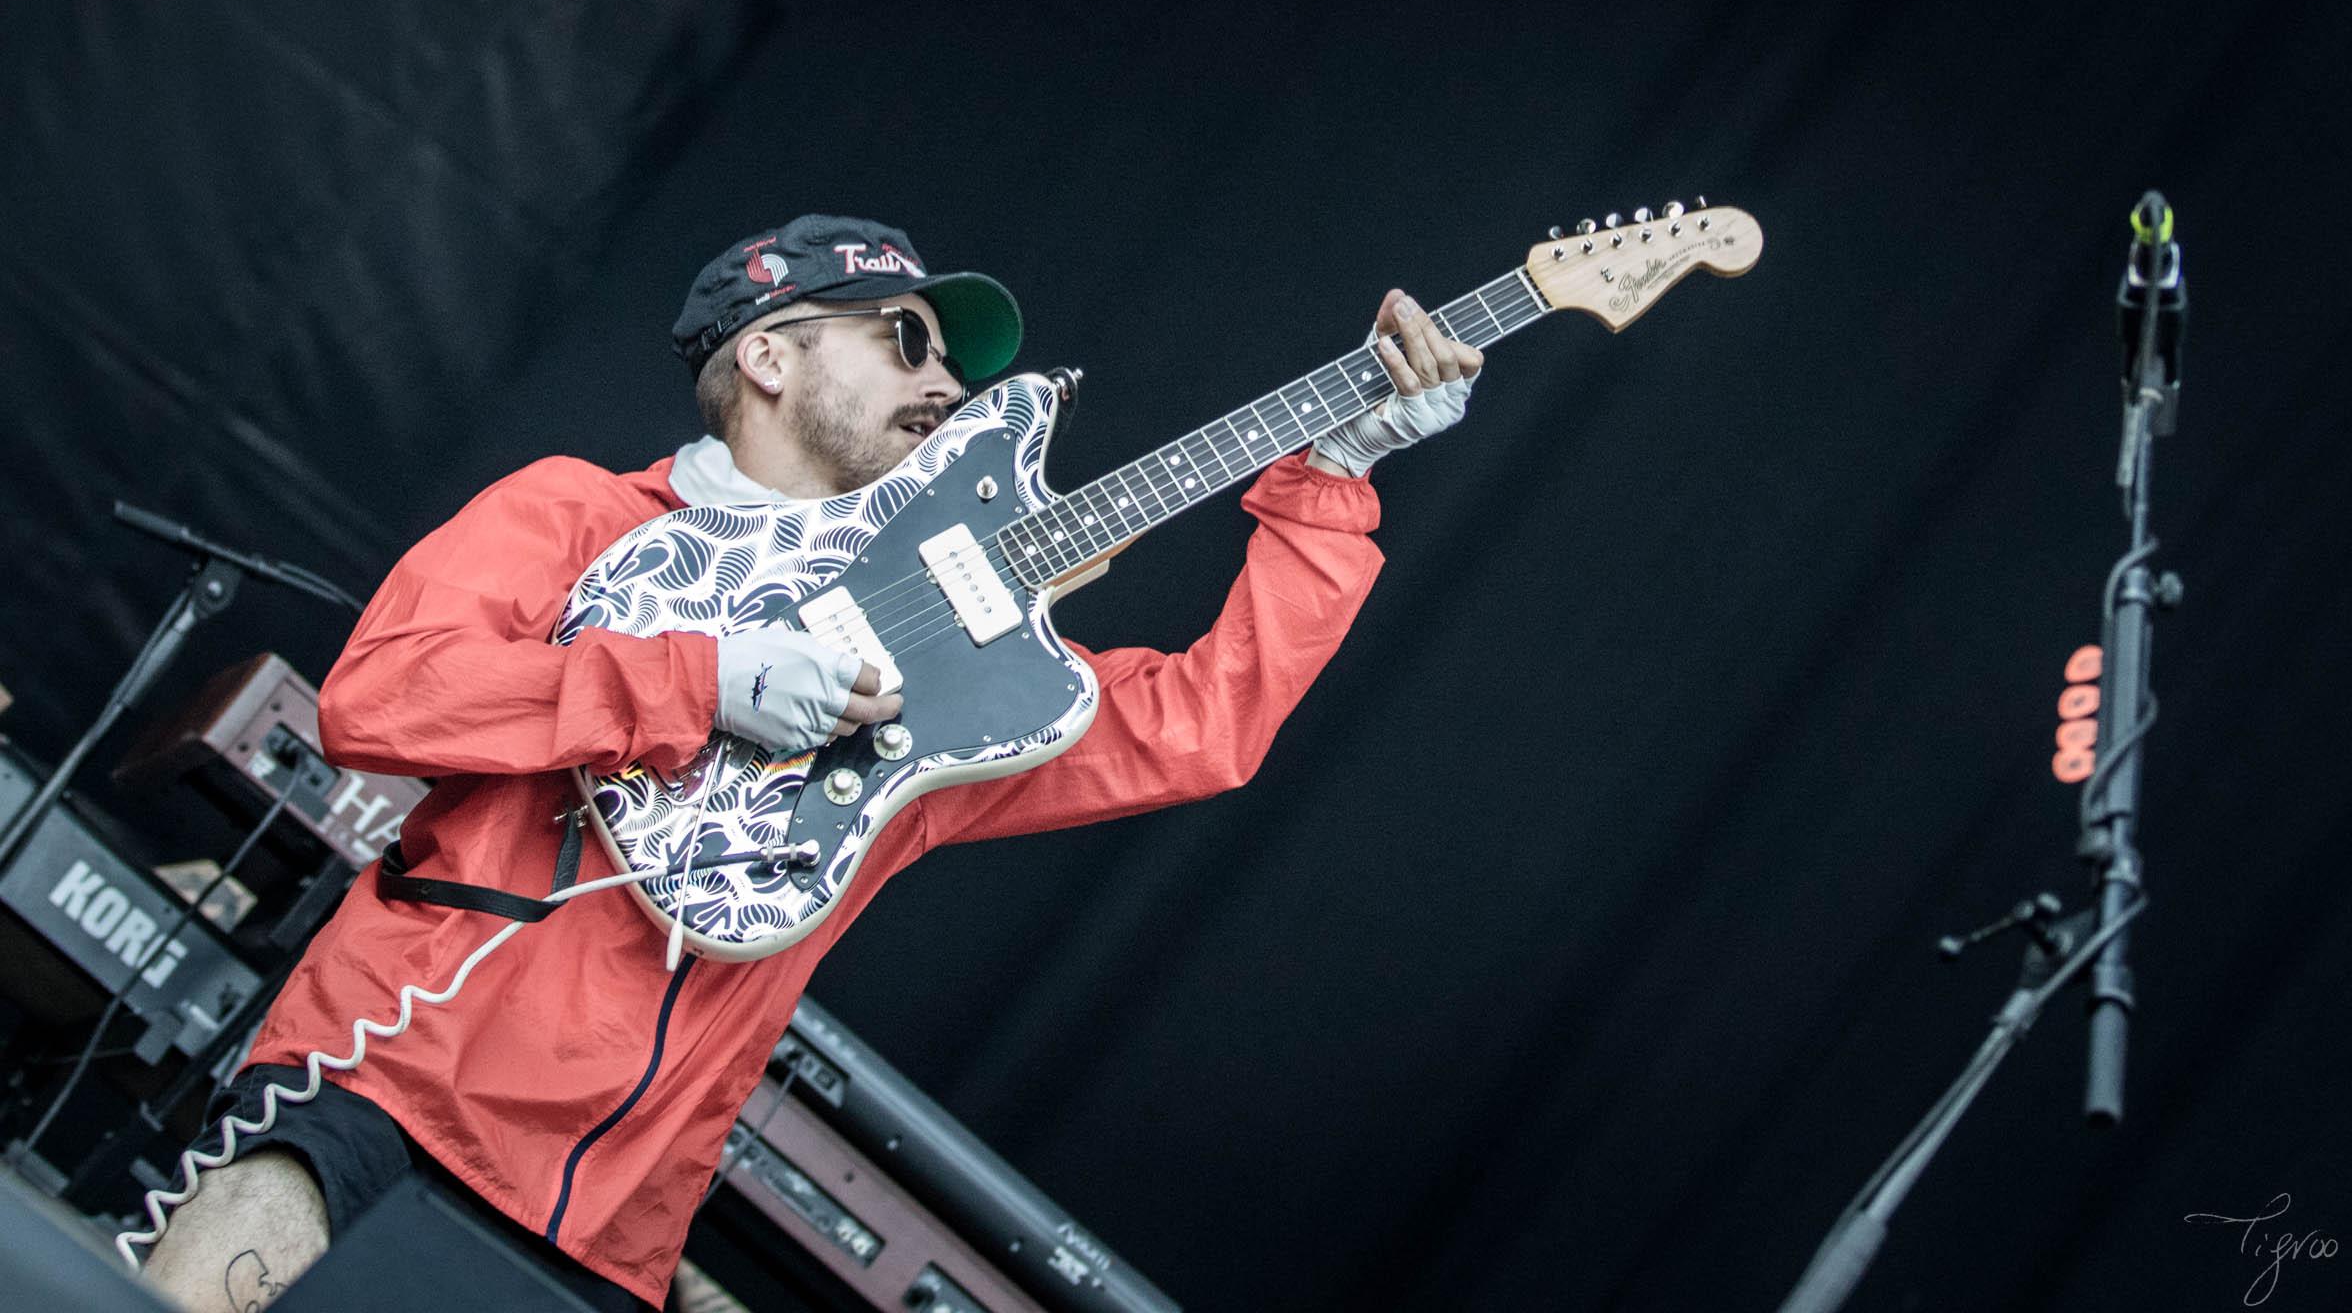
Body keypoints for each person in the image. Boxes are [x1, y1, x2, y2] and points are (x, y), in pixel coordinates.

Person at [139, 214, 1482, 1311]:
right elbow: (381, 699)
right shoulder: (583, 516)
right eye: (905, 341)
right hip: (385, 1088)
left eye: (954, 365)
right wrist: (701, 680)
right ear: (771, 355)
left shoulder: (950, 699)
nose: (945, 387)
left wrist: (1333, 480)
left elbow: (1200, 726)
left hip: (607, 1223)